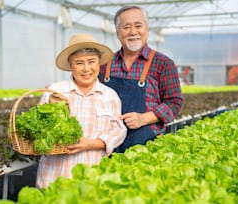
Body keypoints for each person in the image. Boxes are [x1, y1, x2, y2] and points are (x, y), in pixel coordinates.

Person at [36, 33, 127, 188]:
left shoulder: (110, 96)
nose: (86, 69)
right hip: (54, 179)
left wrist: (91, 144)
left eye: (91, 61)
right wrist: (50, 107)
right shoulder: (55, 91)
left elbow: (118, 131)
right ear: (71, 65)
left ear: (99, 63)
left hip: (93, 179)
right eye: (79, 63)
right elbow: (37, 132)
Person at [99, 5, 184, 153]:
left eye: (138, 25)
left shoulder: (163, 63)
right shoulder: (104, 63)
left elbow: (174, 103)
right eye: (126, 27)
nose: (133, 32)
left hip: (146, 146)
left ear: (147, 29)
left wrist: (143, 119)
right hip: (107, 143)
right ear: (118, 32)